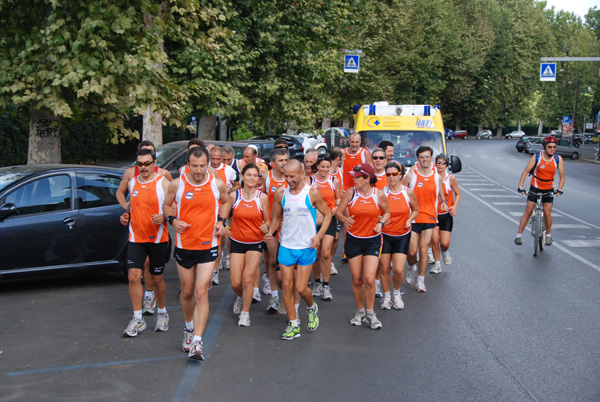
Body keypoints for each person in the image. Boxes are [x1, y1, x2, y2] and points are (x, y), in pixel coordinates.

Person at [163, 146, 231, 360]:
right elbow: (166, 206)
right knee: (187, 292)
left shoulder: (216, 183)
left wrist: (221, 221)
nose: (199, 170)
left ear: (207, 164)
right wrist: (172, 220)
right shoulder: (177, 184)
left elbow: (227, 202)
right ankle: (189, 328)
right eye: (195, 166)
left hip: (208, 245)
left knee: (201, 292)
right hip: (185, 245)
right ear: (188, 165)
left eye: (203, 166)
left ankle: (198, 343)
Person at [266, 159, 332, 340]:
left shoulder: (312, 193)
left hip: (306, 247)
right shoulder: (281, 194)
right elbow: (277, 217)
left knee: (301, 288)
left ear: (302, 174)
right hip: (286, 245)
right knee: (287, 286)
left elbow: (327, 215)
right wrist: (271, 232)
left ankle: (311, 307)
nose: (289, 180)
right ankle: (293, 323)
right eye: (286, 176)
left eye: (292, 176)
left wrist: (318, 236)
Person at [116, 140, 173, 316]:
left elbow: (176, 206)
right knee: (133, 276)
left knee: (157, 280)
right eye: (140, 164)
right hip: (136, 238)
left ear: (154, 163)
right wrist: (126, 216)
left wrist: (164, 216)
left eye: (147, 163)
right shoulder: (132, 182)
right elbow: (132, 206)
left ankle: (162, 312)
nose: (143, 167)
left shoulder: (163, 182)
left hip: (157, 239)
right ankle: (137, 317)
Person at [336, 163, 390, 329]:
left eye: (358, 177)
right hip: (354, 239)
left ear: (367, 179)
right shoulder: (350, 193)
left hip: (372, 240)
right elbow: (338, 211)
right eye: (354, 176)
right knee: (357, 279)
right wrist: (344, 219)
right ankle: (359, 311)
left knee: (369, 278)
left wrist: (381, 222)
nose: (354, 179)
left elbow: (387, 212)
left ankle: (371, 313)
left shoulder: (378, 195)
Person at [227, 163, 271, 327]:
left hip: (255, 242)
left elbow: (267, 220)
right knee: (235, 283)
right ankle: (241, 296)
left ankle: (245, 314)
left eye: (255, 175)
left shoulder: (262, 197)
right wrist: (224, 226)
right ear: (243, 177)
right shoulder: (234, 196)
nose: (252, 178)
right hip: (237, 242)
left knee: (247, 281)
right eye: (249, 175)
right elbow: (225, 214)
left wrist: (266, 227)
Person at [403, 146, 447, 293]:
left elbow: (440, 193)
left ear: (431, 158)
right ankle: (411, 267)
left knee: (423, 249)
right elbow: (401, 191)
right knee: (411, 252)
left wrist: (444, 202)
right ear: (418, 159)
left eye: (427, 157)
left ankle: (421, 280)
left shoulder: (437, 176)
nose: (425, 159)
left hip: (429, 217)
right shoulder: (412, 175)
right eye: (422, 157)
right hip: (414, 218)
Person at [380, 161, 418, 310]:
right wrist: (381, 220)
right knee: (384, 269)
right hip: (385, 235)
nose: (391, 177)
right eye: (388, 174)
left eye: (394, 174)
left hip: (402, 235)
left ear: (400, 175)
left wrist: (409, 220)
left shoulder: (407, 192)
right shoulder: (382, 192)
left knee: (398, 270)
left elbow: (415, 209)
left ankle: (397, 293)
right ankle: (386, 296)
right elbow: (376, 213)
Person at [515, 135, 565, 246]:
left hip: (548, 188)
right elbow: (525, 171)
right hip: (535, 187)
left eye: (554, 147)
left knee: (547, 213)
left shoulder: (558, 159)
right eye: (550, 147)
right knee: (528, 210)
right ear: (544, 147)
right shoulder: (537, 156)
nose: (552, 149)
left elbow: (562, 177)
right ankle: (519, 236)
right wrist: (521, 186)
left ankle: (548, 235)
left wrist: (559, 189)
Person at [262, 148, 290, 313]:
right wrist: (265, 223)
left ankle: (287, 295)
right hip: (273, 226)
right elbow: (263, 200)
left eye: (286, 160)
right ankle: (274, 297)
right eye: (281, 160)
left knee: (286, 266)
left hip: (290, 228)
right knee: (272, 261)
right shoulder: (267, 178)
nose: (284, 163)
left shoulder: (293, 179)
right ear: (273, 163)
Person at [309, 155, 341, 301]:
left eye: (327, 167)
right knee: (317, 253)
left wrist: (336, 208)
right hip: (314, 221)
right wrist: (310, 189)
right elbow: (304, 199)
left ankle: (326, 285)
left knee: (326, 253)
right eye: (322, 166)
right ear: (317, 166)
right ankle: (317, 282)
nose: (325, 169)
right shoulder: (309, 180)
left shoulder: (334, 180)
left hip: (329, 219)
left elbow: (338, 198)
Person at [209, 146, 239, 285]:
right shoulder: (204, 167)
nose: (215, 162)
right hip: (207, 209)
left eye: (217, 159)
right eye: (213, 159)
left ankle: (215, 272)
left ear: (222, 158)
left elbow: (238, 184)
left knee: (219, 240)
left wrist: (230, 189)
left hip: (222, 209)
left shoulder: (228, 170)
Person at [430, 154, 461, 274]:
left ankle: (445, 251)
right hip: (433, 214)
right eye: (438, 162)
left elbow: (458, 194)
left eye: (443, 163)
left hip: (446, 215)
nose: (440, 165)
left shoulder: (450, 179)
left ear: (447, 165)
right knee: (434, 240)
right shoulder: (431, 178)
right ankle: (437, 264)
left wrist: (454, 206)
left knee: (444, 243)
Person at [370, 147, 388, 298]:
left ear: (386, 160)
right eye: (375, 157)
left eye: (381, 158)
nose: (378, 160)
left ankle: (377, 282)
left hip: (388, 223)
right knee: (376, 258)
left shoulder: (392, 176)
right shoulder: (367, 177)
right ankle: (373, 282)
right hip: (371, 224)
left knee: (384, 260)